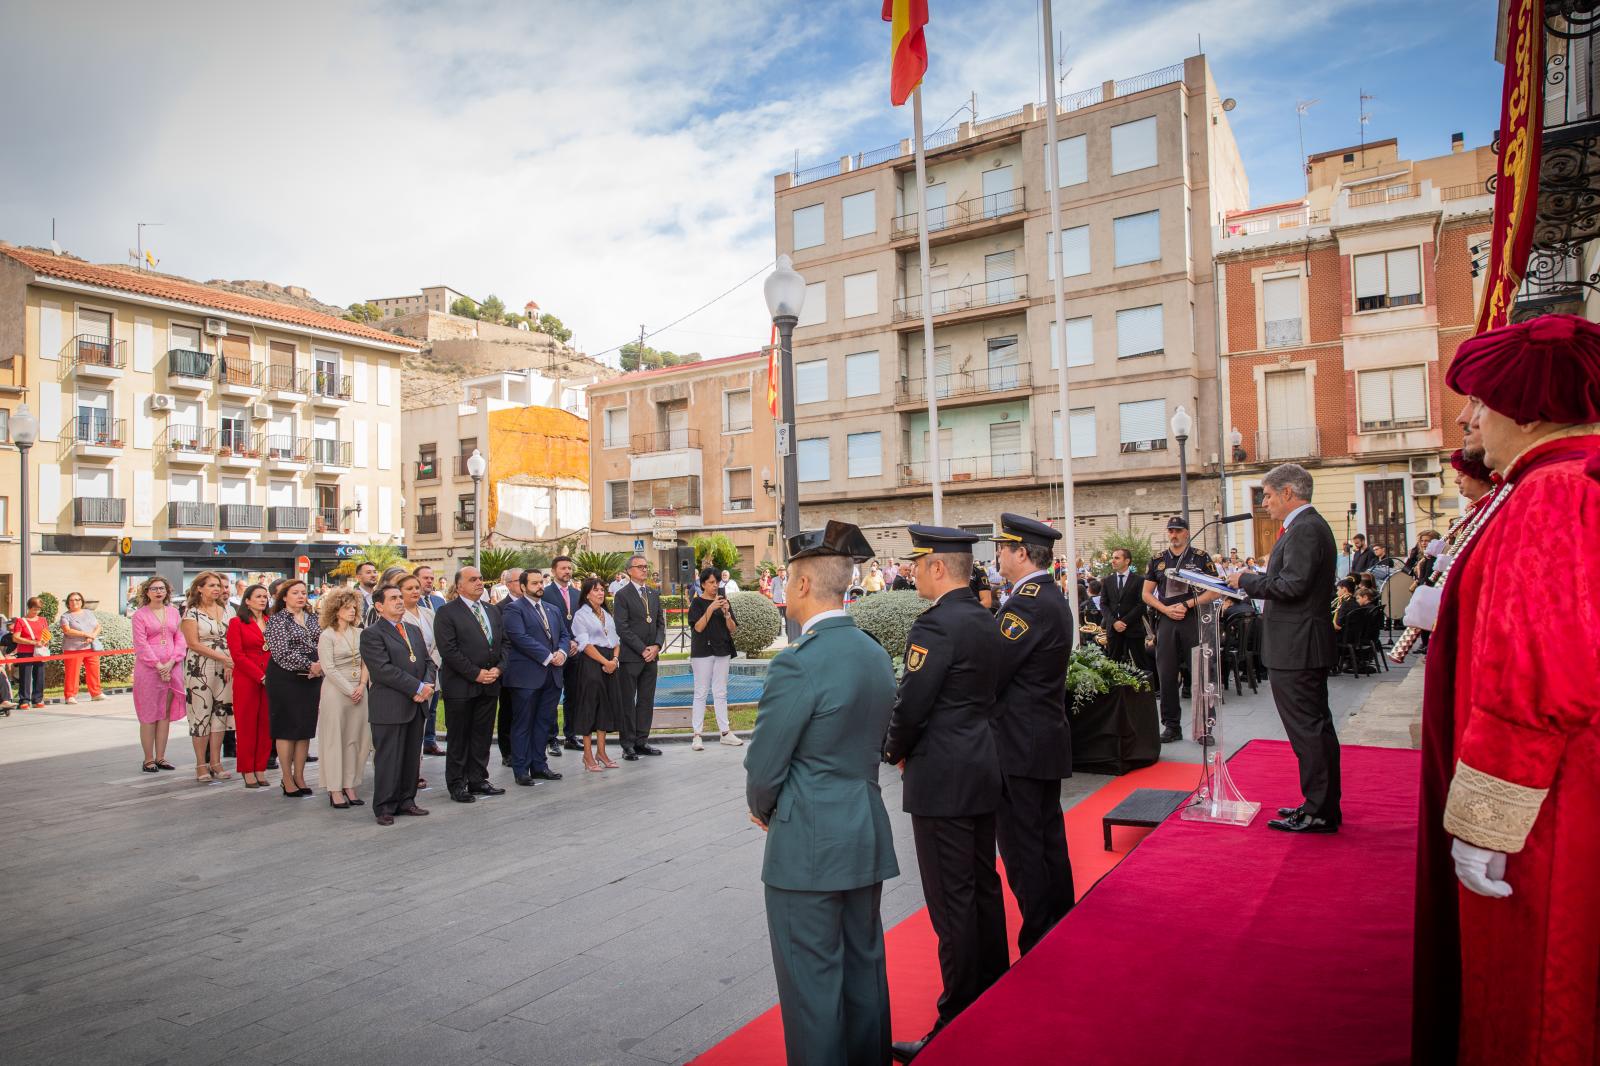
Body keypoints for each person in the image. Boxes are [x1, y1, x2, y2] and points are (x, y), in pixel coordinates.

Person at [1411, 314, 1600, 1064]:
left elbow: (1537, 671)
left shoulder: (1551, 493)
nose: (1467, 418)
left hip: (1543, 809)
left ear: (1524, 406)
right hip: (1558, 787)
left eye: (1480, 402)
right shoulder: (1558, 481)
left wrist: (1487, 821)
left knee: (1532, 981)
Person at [744, 521, 898, 1066]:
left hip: (806, 843)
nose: (785, 592)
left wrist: (763, 810)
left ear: (804, 585)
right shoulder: (874, 653)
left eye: (787, 581)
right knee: (863, 969)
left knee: (812, 986)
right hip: (862, 831)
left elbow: (764, 767)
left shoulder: (797, 662)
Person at [883, 526, 1007, 1061]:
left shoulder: (934, 625)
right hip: (982, 762)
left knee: (950, 898)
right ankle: (995, 993)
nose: (912, 572)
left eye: (918, 564)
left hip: (941, 775)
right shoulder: (985, 618)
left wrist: (893, 749)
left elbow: (913, 703)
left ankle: (956, 1018)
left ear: (938, 568)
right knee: (981, 885)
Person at [1228, 462, 1340, 833]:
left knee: (1308, 729)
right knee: (1312, 728)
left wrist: (1246, 580)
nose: (1265, 502)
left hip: (1298, 646)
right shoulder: (1306, 527)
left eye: (1269, 495)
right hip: (1298, 643)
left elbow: (1292, 586)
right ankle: (1318, 803)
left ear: (1289, 493)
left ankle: (1320, 810)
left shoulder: (1305, 529)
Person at [989, 513, 1077, 955]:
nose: (998, 557)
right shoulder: (1048, 595)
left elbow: (993, 669)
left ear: (1022, 553)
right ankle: (1061, 922)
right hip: (1041, 737)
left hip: (1019, 744)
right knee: (1047, 838)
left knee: (1025, 848)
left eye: (1002, 549)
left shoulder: (1025, 603)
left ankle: (1041, 936)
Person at [1143, 515, 1222, 743]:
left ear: (1186, 532)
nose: (1174, 535)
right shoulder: (1158, 560)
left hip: (1192, 618)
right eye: (1170, 531)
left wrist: (1187, 604)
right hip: (1167, 620)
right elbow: (1146, 594)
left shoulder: (1199, 557)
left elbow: (1214, 591)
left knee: (1200, 671)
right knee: (1166, 673)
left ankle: (1205, 727)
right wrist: (1165, 610)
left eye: (1178, 530)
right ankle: (1171, 726)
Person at [361, 584, 435, 827]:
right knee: (389, 758)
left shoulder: (412, 629)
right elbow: (382, 670)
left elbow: (427, 661)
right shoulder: (372, 633)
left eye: (400, 597)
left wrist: (427, 684)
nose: (400, 601)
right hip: (390, 705)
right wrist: (416, 687)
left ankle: (406, 800)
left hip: (416, 704)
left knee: (411, 757)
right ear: (379, 606)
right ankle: (384, 805)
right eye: (393, 598)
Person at [433, 566, 506, 803]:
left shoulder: (491, 610)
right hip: (462, 686)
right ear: (459, 585)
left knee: (482, 734)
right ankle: (457, 783)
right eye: (472, 579)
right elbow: (449, 650)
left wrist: (498, 669)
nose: (479, 582)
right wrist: (475, 674)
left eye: (481, 579)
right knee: (459, 737)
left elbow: (504, 643)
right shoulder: (447, 612)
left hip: (490, 683)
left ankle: (478, 779)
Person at [502, 568, 569, 786]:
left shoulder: (552, 608)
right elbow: (519, 637)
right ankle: (521, 769)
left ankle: (539, 765)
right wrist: (549, 656)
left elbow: (565, 635)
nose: (540, 586)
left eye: (541, 582)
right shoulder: (514, 609)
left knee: (543, 723)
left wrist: (562, 652)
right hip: (526, 678)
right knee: (523, 724)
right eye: (534, 583)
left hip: (552, 677)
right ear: (522, 587)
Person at [264, 579, 322, 799]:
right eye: (295, 592)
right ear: (284, 597)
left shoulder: (313, 618)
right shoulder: (278, 620)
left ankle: (300, 775)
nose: (300, 596)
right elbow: (281, 652)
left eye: (303, 592)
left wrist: (320, 665)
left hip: (312, 677)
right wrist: (310, 665)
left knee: (304, 728)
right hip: (286, 678)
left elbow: (324, 641)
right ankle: (286, 778)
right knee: (287, 728)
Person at [317, 588, 371, 809]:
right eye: (347, 608)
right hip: (336, 692)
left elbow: (366, 662)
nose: (352, 611)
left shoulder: (359, 633)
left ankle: (350, 784)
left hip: (359, 689)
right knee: (335, 739)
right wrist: (350, 689)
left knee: (357, 739)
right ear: (336, 610)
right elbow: (328, 668)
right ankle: (335, 788)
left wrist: (361, 686)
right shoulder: (327, 635)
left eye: (354, 608)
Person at [181, 571, 235, 783]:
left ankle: (216, 762)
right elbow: (193, 643)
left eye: (219, 585)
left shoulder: (227, 610)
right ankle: (200, 765)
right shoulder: (191, 614)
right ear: (199, 588)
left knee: (220, 714)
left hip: (226, 667)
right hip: (200, 667)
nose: (217, 589)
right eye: (211, 585)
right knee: (201, 714)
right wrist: (223, 657)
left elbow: (233, 638)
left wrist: (229, 661)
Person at [614, 555, 665, 760]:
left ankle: (642, 740)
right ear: (629, 570)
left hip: (651, 657)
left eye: (646, 566)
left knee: (646, 700)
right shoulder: (622, 595)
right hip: (632, 657)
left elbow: (660, 622)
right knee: (628, 700)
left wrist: (656, 646)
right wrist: (642, 649)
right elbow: (622, 627)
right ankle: (628, 744)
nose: (644, 569)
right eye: (640, 567)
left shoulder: (653, 593)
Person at [570, 576, 623, 772]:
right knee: (589, 706)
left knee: (606, 707)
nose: (600, 593)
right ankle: (587, 755)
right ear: (586, 594)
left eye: (602, 589)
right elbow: (584, 644)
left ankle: (601, 752)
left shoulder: (607, 615)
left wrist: (614, 661)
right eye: (596, 590)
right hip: (592, 662)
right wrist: (605, 661)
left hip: (610, 661)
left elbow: (616, 640)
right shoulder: (580, 616)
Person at [131, 579, 184, 771]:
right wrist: (158, 664)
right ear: (147, 592)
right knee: (148, 714)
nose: (158, 592)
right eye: (154, 589)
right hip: (148, 670)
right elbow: (140, 643)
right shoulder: (139, 615)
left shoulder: (173, 612)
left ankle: (161, 756)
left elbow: (180, 638)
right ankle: (148, 759)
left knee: (165, 713)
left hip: (172, 667)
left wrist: (172, 662)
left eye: (162, 588)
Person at [688, 567, 740, 751]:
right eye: (711, 582)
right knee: (701, 692)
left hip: (722, 650)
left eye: (717, 582)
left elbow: (732, 628)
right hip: (702, 651)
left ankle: (725, 733)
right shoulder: (697, 604)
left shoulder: (723, 601)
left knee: (721, 692)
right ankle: (697, 735)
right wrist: (710, 608)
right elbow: (698, 628)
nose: (715, 585)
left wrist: (726, 612)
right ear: (702, 584)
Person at [227, 584, 272, 788]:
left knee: (266, 724)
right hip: (247, 679)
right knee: (246, 725)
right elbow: (238, 655)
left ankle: (261, 767)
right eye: (258, 596)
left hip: (271, 679)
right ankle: (247, 769)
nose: (263, 600)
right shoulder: (237, 623)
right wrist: (259, 676)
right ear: (247, 600)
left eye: (265, 596)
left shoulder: (271, 622)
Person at [543, 556, 584, 755]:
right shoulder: (545, 593)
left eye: (569, 568)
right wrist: (562, 644)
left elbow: (581, 620)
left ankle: (571, 735)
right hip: (555, 652)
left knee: (573, 695)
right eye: (562, 568)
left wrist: (576, 641)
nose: (567, 571)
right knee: (552, 696)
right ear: (553, 571)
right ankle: (552, 739)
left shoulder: (578, 594)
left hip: (575, 651)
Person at [494, 567, 526, 767]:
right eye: (518, 580)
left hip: (532, 667)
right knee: (508, 710)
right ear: (507, 585)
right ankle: (508, 751)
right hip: (510, 666)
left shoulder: (536, 605)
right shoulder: (499, 608)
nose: (522, 584)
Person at [1102, 548, 1150, 676]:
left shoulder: (1139, 580)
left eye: (1117, 558)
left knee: (1140, 663)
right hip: (1113, 630)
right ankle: (1116, 694)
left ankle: (1146, 693)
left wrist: (1123, 622)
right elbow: (1103, 604)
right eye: (1113, 558)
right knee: (1113, 664)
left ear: (1127, 561)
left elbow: (1141, 605)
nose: (1113, 561)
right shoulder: (1107, 580)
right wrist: (1113, 622)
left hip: (1133, 628)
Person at [57, 592, 104, 704]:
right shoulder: (65, 616)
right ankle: (70, 696)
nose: (75, 602)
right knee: (72, 673)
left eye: (77, 599)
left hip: (91, 646)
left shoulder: (88, 613)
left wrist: (92, 636)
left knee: (94, 671)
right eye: (72, 600)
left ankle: (96, 693)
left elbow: (98, 626)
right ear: (68, 603)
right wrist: (85, 634)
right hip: (73, 648)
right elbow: (67, 630)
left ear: (82, 601)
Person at [9, 598, 48, 709]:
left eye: (38, 609)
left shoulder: (42, 620)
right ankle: (24, 700)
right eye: (34, 609)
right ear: (29, 607)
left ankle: (38, 699)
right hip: (25, 652)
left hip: (39, 652)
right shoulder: (21, 621)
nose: (36, 611)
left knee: (39, 675)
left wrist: (44, 641)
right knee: (25, 676)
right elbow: (16, 638)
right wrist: (32, 642)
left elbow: (46, 634)